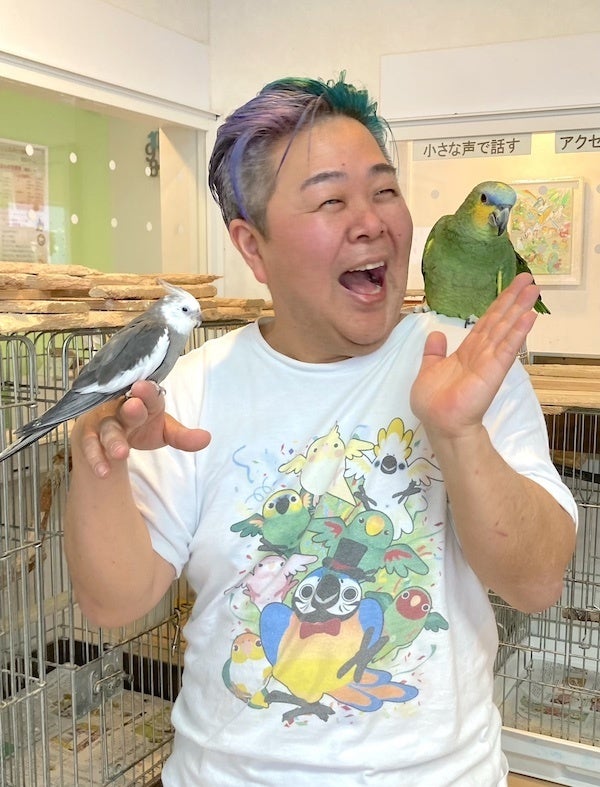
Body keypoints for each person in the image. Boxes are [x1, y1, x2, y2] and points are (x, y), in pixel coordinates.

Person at [65, 75, 577, 786]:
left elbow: (537, 582)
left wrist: (461, 433)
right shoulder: (195, 386)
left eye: (384, 190)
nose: (371, 221)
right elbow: (114, 600)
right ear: (253, 247)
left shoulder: (469, 368)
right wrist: (97, 453)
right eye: (332, 200)